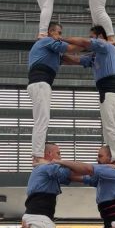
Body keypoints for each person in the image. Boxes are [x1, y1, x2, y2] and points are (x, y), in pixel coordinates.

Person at [62, 26, 115, 162]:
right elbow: (76, 60)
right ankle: (111, 156)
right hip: (106, 90)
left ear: (100, 37)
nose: (90, 39)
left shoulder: (105, 45)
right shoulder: (95, 56)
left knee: (111, 124)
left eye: (92, 37)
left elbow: (84, 42)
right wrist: (59, 54)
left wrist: (61, 39)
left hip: (111, 88)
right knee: (108, 125)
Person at [28, 22, 83, 165]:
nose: (60, 36)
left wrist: (90, 59)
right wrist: (95, 44)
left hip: (40, 84)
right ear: (50, 32)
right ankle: (37, 157)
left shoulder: (52, 50)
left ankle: (37, 155)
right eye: (58, 33)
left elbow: (72, 59)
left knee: (42, 119)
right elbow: (72, 48)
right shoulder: (47, 41)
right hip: (40, 83)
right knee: (42, 120)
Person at [17, 142, 71, 228]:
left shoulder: (41, 169)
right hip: (39, 218)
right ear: (49, 154)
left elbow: (65, 178)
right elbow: (66, 174)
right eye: (58, 153)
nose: (60, 157)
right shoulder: (47, 167)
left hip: (36, 217)